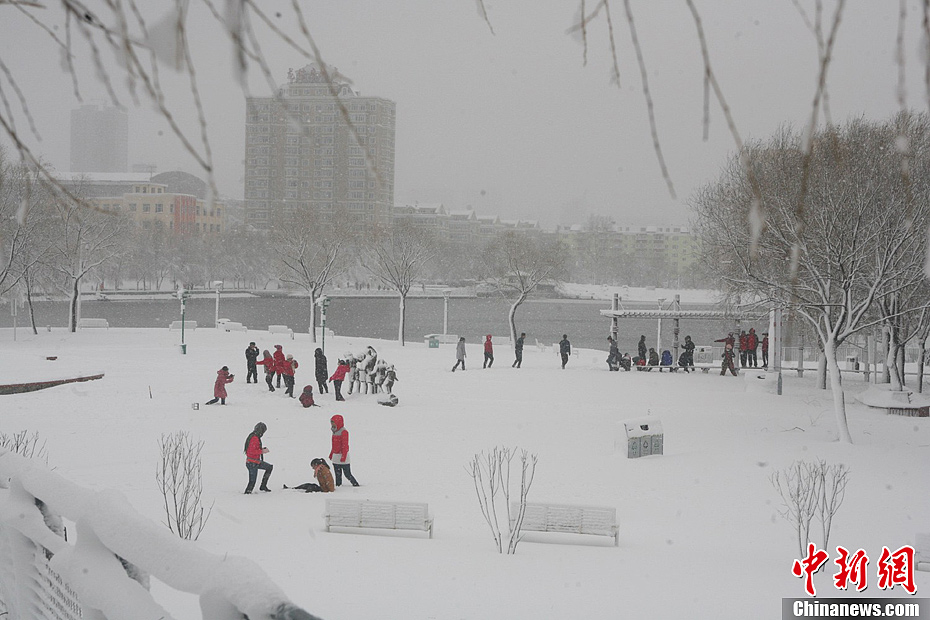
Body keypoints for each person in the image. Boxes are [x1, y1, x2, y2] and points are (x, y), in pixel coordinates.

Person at [329, 414, 360, 487]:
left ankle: (355, 484)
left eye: (333, 422)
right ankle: (338, 486)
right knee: (337, 475)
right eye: (331, 422)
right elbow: (334, 445)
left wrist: (344, 456)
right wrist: (331, 454)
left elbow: (345, 445)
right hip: (336, 457)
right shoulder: (334, 431)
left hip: (343, 457)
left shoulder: (344, 432)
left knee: (347, 474)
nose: (332, 424)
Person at [244, 422, 272, 493]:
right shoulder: (254, 438)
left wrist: (261, 450)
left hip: (255, 462)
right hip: (252, 463)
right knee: (252, 482)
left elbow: (252, 449)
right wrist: (262, 451)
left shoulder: (253, 436)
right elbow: (251, 451)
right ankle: (247, 493)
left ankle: (263, 486)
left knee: (269, 467)